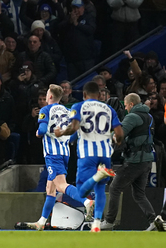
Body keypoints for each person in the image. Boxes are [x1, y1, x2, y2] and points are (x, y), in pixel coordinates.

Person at [55, 81, 124, 232]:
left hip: (88, 154)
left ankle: (98, 176)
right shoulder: (109, 109)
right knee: (100, 190)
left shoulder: (78, 106)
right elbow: (119, 133)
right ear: (99, 95)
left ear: (84, 94)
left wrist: (61, 133)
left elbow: (73, 127)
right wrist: (116, 142)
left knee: (81, 192)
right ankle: (97, 222)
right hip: (105, 154)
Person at [26, 84, 94, 231]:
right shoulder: (67, 111)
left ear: (49, 96)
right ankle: (41, 222)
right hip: (65, 153)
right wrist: (67, 140)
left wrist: (38, 132)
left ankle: (86, 202)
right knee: (50, 189)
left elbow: (42, 130)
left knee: (61, 185)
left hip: (53, 154)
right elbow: (75, 131)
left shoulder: (45, 110)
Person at [100, 93, 157, 231]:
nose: (125, 108)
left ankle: (109, 221)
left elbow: (119, 134)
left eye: (126, 105)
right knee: (139, 194)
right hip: (147, 160)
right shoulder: (149, 116)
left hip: (135, 160)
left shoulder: (132, 116)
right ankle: (153, 221)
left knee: (115, 188)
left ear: (131, 104)